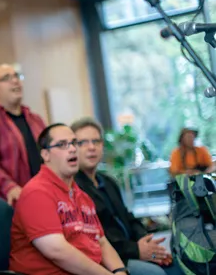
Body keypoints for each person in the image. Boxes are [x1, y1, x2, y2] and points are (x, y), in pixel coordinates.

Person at [10, 123, 128, 275]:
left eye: (74, 143)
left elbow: (102, 242)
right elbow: (56, 250)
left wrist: (120, 271)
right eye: (62, 145)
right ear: (45, 154)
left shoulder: (81, 195)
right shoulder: (36, 192)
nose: (72, 149)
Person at [71, 117, 184, 275]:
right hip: (112, 259)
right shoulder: (74, 189)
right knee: (158, 273)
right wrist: (137, 250)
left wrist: (145, 243)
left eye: (96, 141)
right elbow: (95, 240)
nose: (91, 147)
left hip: (133, 248)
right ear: (72, 148)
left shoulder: (108, 181)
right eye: (83, 142)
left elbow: (127, 216)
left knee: (179, 263)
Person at [0, 64, 45, 205]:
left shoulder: (35, 119)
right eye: (6, 78)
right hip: (12, 202)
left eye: (17, 76)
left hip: (44, 195)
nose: (15, 81)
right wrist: (9, 187)